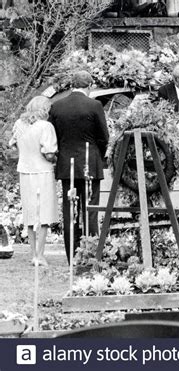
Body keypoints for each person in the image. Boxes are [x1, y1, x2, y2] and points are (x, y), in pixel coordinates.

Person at [49, 70, 109, 264]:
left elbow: (52, 135)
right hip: (90, 162)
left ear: (72, 84)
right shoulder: (94, 105)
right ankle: (91, 254)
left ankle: (72, 257)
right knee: (90, 209)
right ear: (89, 85)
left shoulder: (57, 106)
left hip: (67, 164)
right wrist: (99, 153)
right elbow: (104, 136)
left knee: (70, 211)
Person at [9, 96, 58, 267]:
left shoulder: (19, 124)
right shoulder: (46, 126)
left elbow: (13, 145)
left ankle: (33, 254)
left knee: (30, 213)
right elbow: (49, 152)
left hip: (25, 170)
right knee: (43, 214)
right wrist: (55, 160)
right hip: (42, 171)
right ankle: (40, 254)